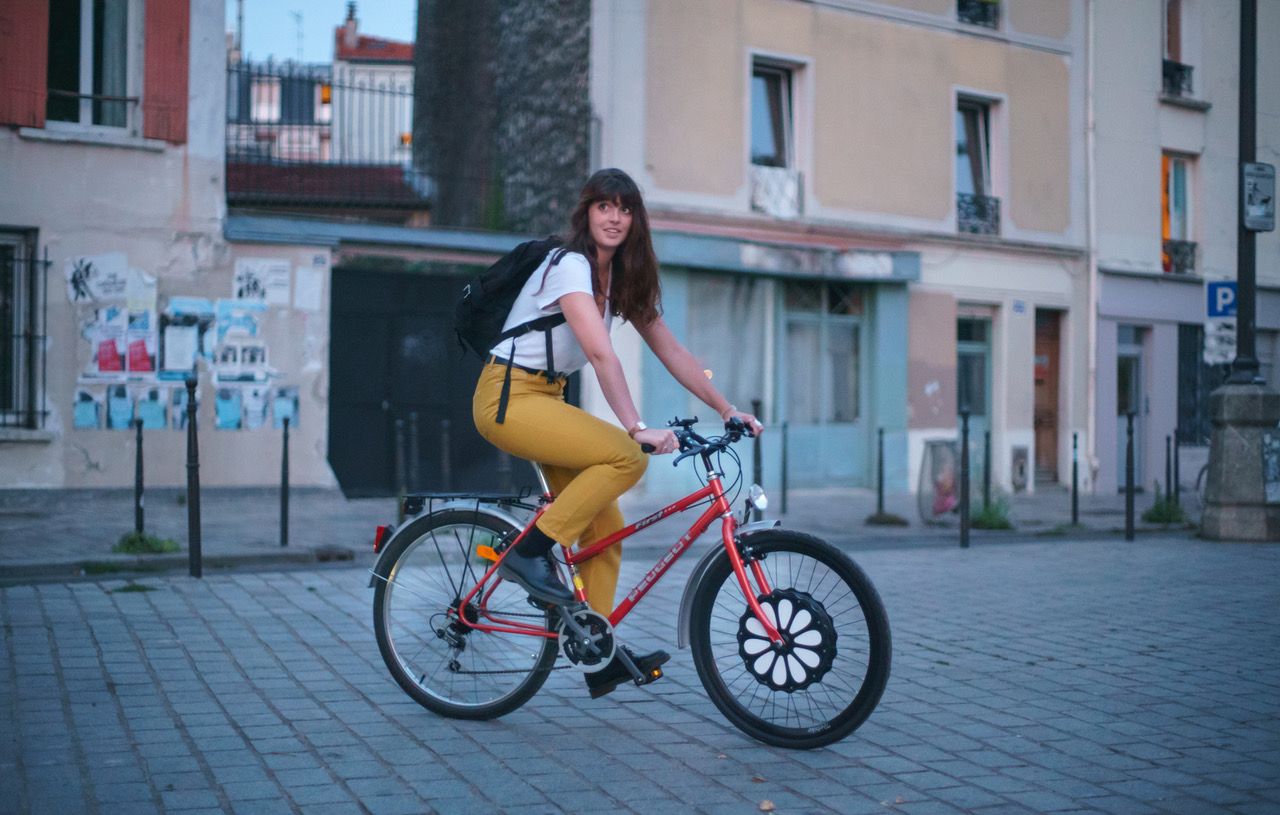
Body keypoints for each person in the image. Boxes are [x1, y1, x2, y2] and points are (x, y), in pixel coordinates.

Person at [472, 168, 763, 698]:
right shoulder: (569, 267)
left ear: (635, 220)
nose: (614, 217)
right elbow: (602, 353)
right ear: (586, 213)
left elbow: (671, 350)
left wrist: (726, 408)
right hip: (508, 396)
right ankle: (526, 553)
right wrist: (636, 428)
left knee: (604, 529)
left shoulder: (619, 281)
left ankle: (594, 650)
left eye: (625, 209)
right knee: (625, 457)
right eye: (604, 206)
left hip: (546, 397)